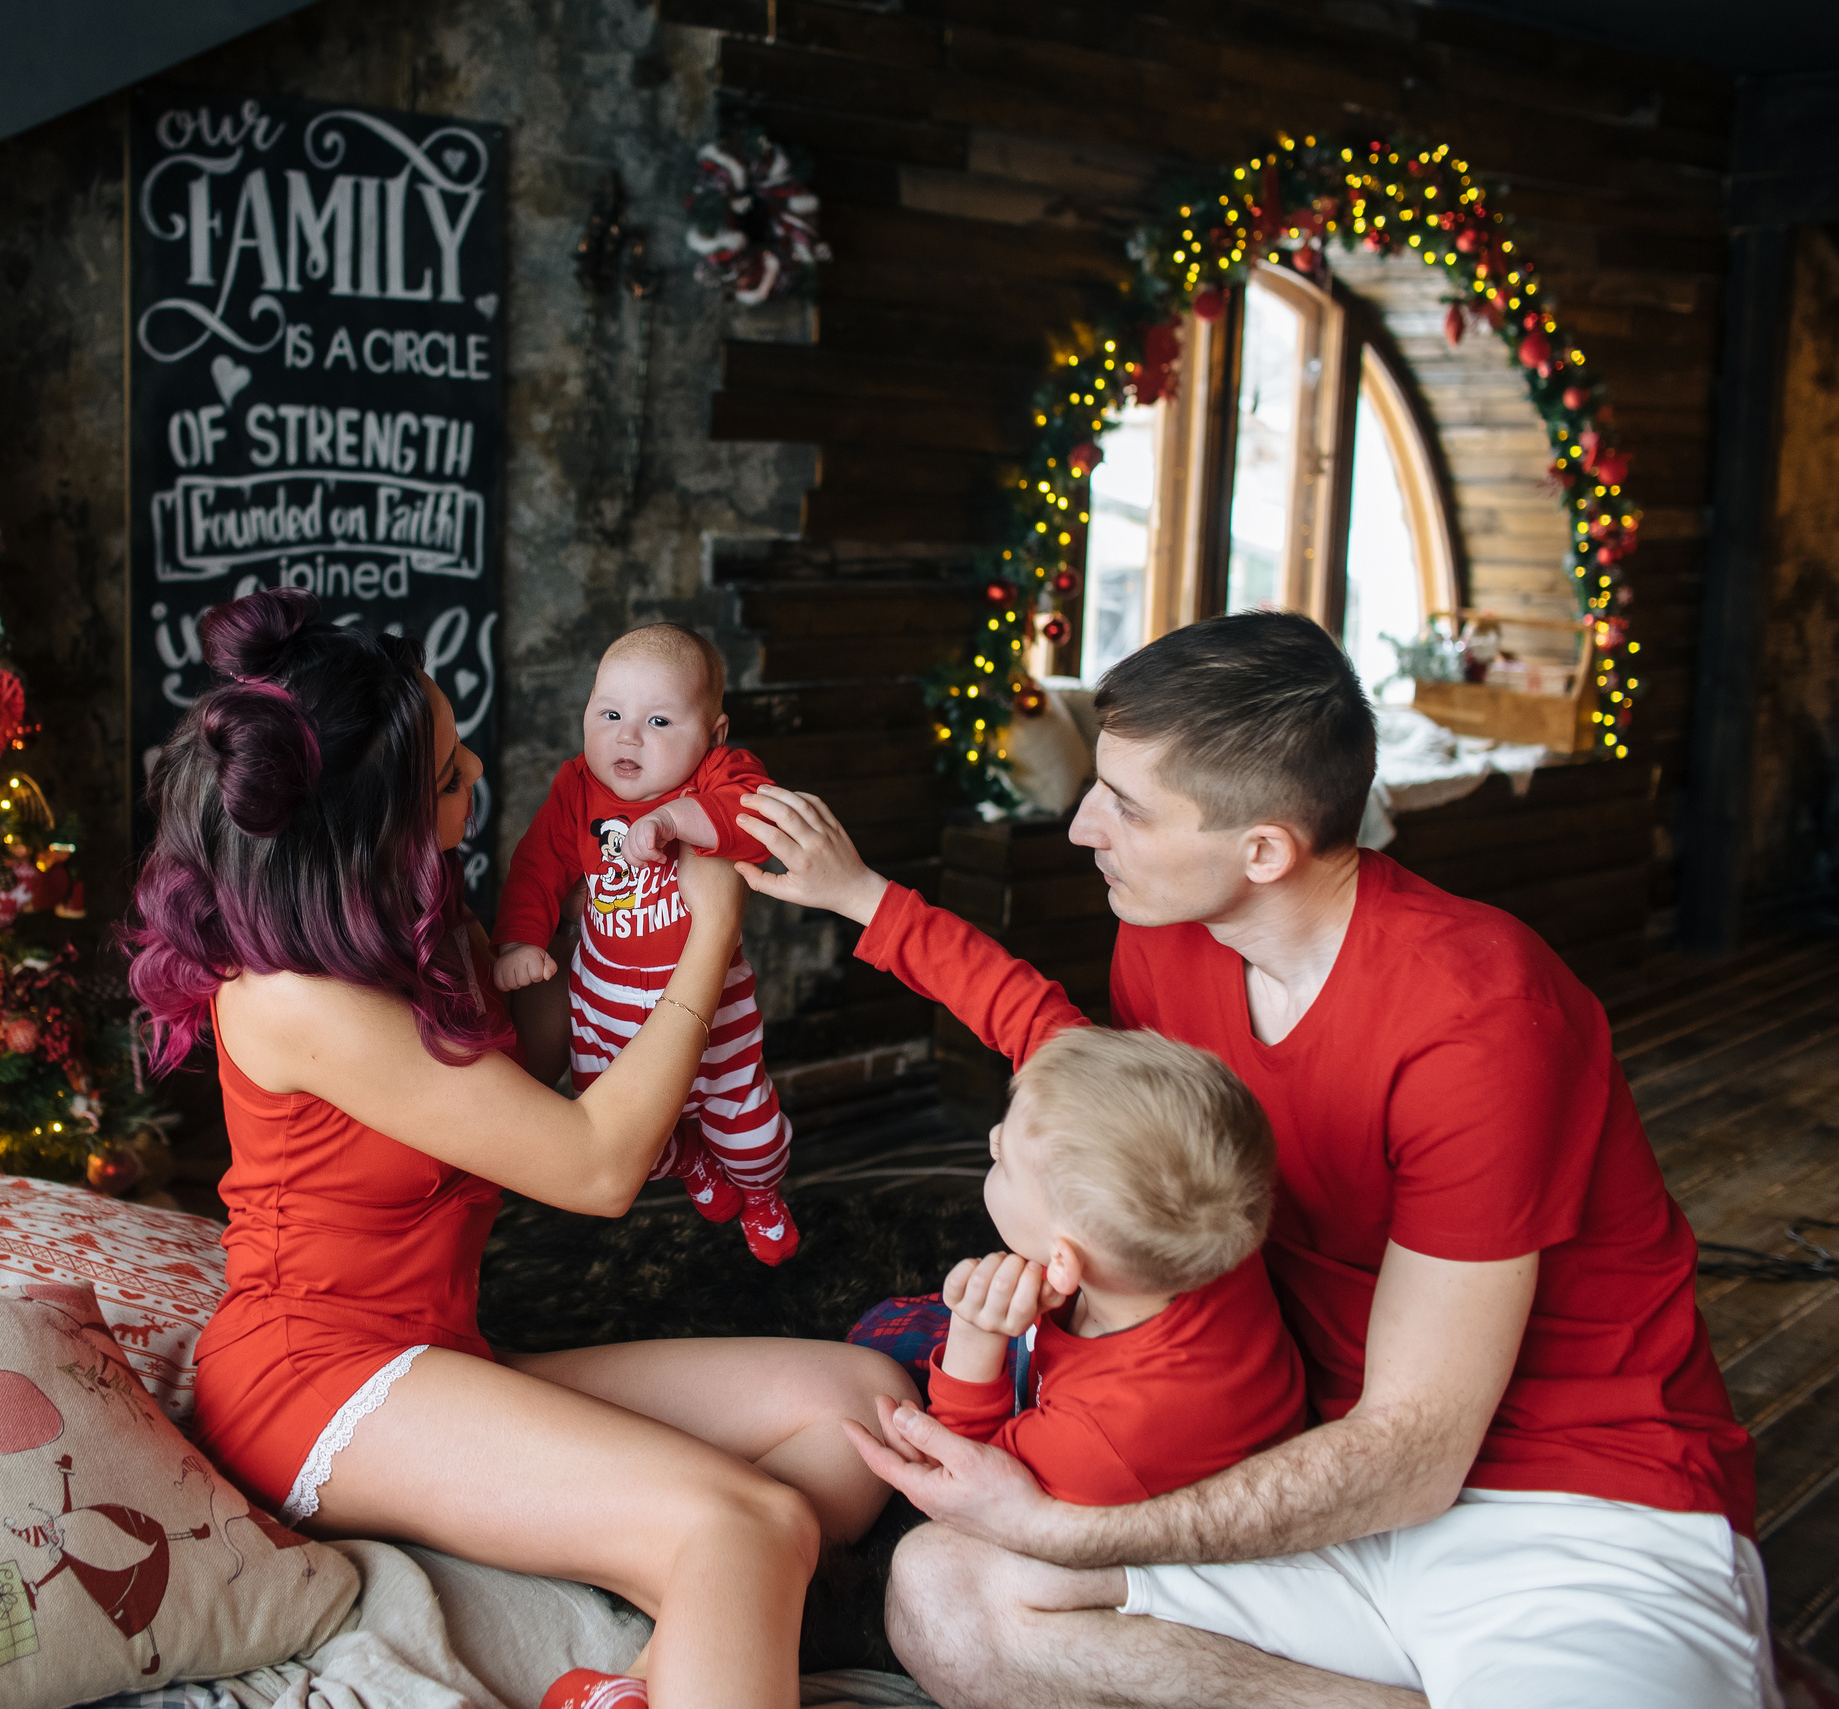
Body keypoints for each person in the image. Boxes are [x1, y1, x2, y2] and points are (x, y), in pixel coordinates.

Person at [735, 612, 1773, 1709]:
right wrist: (863, 898)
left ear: (1264, 847)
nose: (1083, 825)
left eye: (1126, 806)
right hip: (1290, 1467)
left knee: (1017, 1562)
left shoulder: (1477, 1016)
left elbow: (1417, 1449)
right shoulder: (1165, 933)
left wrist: (1065, 1522)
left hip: (1565, 1502)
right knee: (944, 1590)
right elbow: (1052, 1045)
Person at [129, 589, 915, 1709]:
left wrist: (621, 922)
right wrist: (709, 937)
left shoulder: (411, 913)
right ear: (371, 817)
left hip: (438, 1349)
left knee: (861, 1404)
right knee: (753, 1520)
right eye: (449, 777)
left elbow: (523, 1066)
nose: (479, 784)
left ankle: (645, 1673)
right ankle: (710, 1565)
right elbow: (594, 1166)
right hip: (316, 1382)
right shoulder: (293, 997)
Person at [898, 1015, 1309, 1506]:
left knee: (890, 1348)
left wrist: (975, 1335)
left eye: (1003, 1162)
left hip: (1109, 1482)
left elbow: (967, 1483)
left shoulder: (1099, 1439)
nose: (991, 1138)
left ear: (1062, 1260)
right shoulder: (1200, 1229)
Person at [491, 622, 800, 1264]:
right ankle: (689, 1161)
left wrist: (673, 819)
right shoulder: (577, 787)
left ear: (713, 735)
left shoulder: (718, 774)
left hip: (715, 1015)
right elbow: (537, 865)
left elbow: (757, 815)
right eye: (610, 713)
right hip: (604, 1005)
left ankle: (763, 1193)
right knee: (619, 1130)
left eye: (660, 722)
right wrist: (520, 940)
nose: (627, 735)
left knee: (749, 1132)